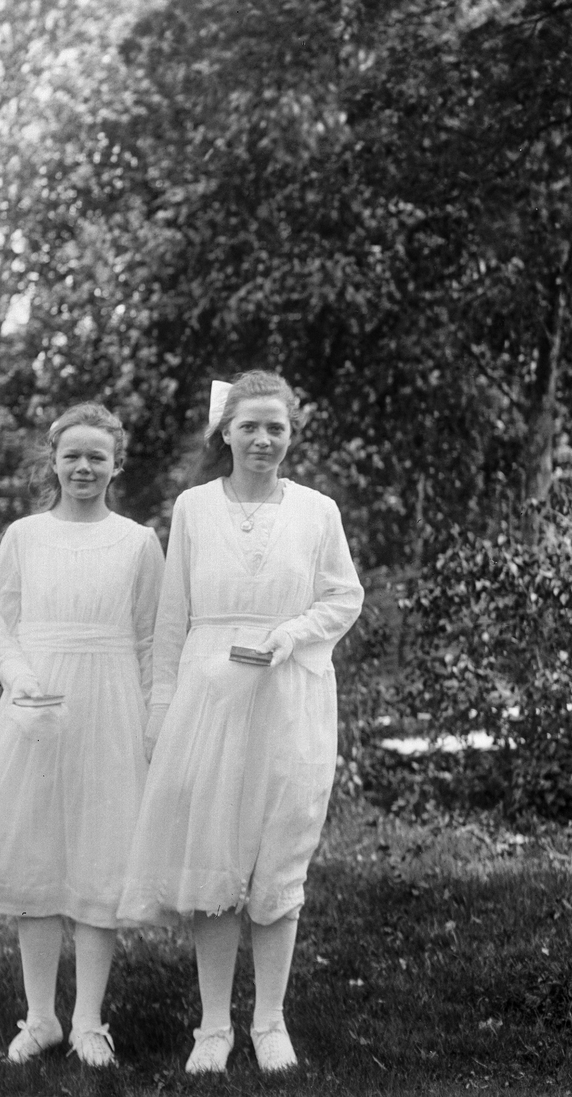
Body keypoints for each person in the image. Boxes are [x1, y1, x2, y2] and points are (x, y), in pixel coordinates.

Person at [118, 370, 363, 1074]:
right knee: (215, 857)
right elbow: (170, 623)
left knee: (279, 853)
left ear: (292, 435)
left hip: (291, 695)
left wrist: (289, 635)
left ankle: (271, 1021)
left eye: (275, 427)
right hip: (209, 696)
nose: (262, 439)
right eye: (249, 425)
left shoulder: (318, 511)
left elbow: (344, 598)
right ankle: (213, 1028)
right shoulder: (193, 508)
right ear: (224, 432)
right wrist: (160, 715)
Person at [0, 403, 164, 1068]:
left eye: (98, 456)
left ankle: (90, 1021)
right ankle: (41, 1018)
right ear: (54, 461)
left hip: (111, 706)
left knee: (99, 858)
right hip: (38, 707)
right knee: (36, 857)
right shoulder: (25, 536)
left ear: (116, 464)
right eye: (73, 456)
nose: (84, 467)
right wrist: (18, 676)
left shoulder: (137, 541)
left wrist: (153, 721)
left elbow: (151, 639)